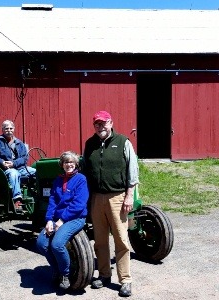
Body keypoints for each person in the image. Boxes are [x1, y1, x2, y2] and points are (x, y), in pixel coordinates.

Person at [83, 110, 139, 297]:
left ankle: (125, 280)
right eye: (97, 124)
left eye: (103, 123)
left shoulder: (123, 142)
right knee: (99, 240)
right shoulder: (89, 144)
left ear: (111, 123)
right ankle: (104, 274)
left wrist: (129, 196)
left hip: (118, 198)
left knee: (121, 239)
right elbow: (86, 171)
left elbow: (133, 169)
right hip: (97, 198)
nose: (100, 127)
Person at [36, 151, 89, 290]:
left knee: (57, 245)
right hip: (56, 219)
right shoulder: (58, 180)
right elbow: (52, 201)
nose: (69, 165)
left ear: (76, 164)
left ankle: (65, 274)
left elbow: (79, 204)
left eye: (71, 162)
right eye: (66, 162)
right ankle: (56, 269)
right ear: (62, 165)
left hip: (75, 218)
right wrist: (48, 220)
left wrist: (61, 221)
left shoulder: (81, 179)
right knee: (41, 243)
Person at [0, 119, 36, 213]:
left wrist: (14, 163)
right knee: (14, 174)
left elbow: (24, 158)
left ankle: (37, 196)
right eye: (6, 128)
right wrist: (2, 162)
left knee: (36, 172)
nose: (9, 130)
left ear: (14, 129)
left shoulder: (19, 143)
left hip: (20, 168)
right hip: (5, 170)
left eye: (11, 128)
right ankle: (17, 200)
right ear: (2, 129)